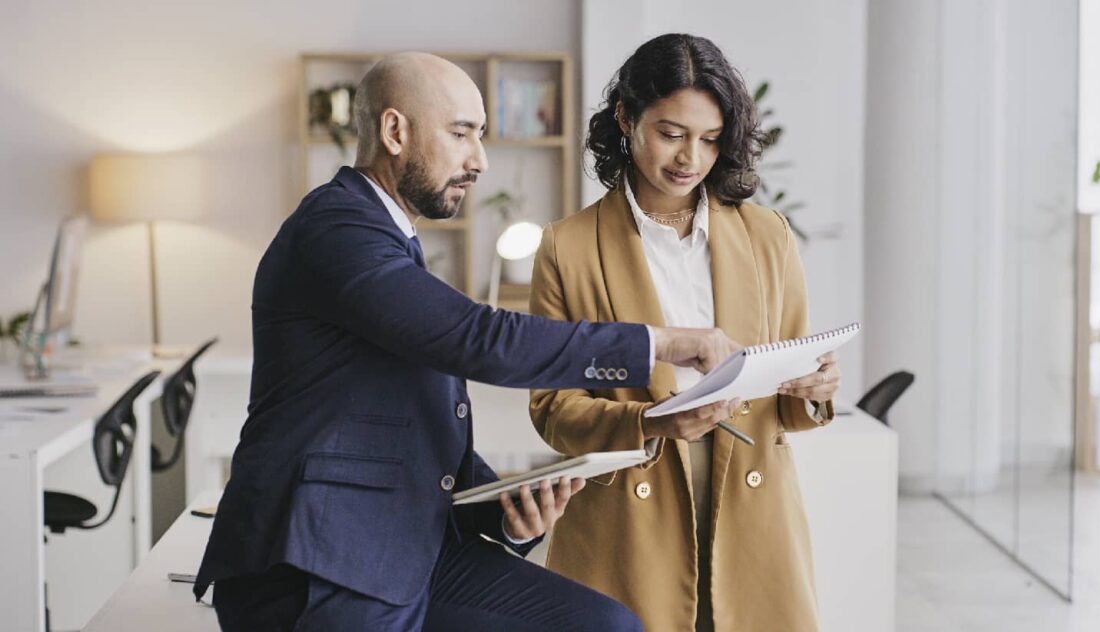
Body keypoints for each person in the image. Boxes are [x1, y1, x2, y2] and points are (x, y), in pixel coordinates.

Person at [192, 52, 741, 632]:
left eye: (480, 137)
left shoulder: (389, 238)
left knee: (606, 625)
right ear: (395, 131)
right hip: (317, 561)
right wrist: (660, 343)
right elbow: (478, 338)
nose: (479, 161)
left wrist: (506, 511)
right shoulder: (336, 230)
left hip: (407, 547)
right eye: (461, 134)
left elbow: (406, 428)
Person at [528, 34, 841, 632]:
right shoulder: (568, 247)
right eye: (671, 133)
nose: (689, 158)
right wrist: (648, 422)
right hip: (628, 519)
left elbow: (792, 408)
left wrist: (817, 388)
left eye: (710, 139)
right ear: (625, 117)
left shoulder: (767, 235)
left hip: (752, 511)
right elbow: (552, 410)